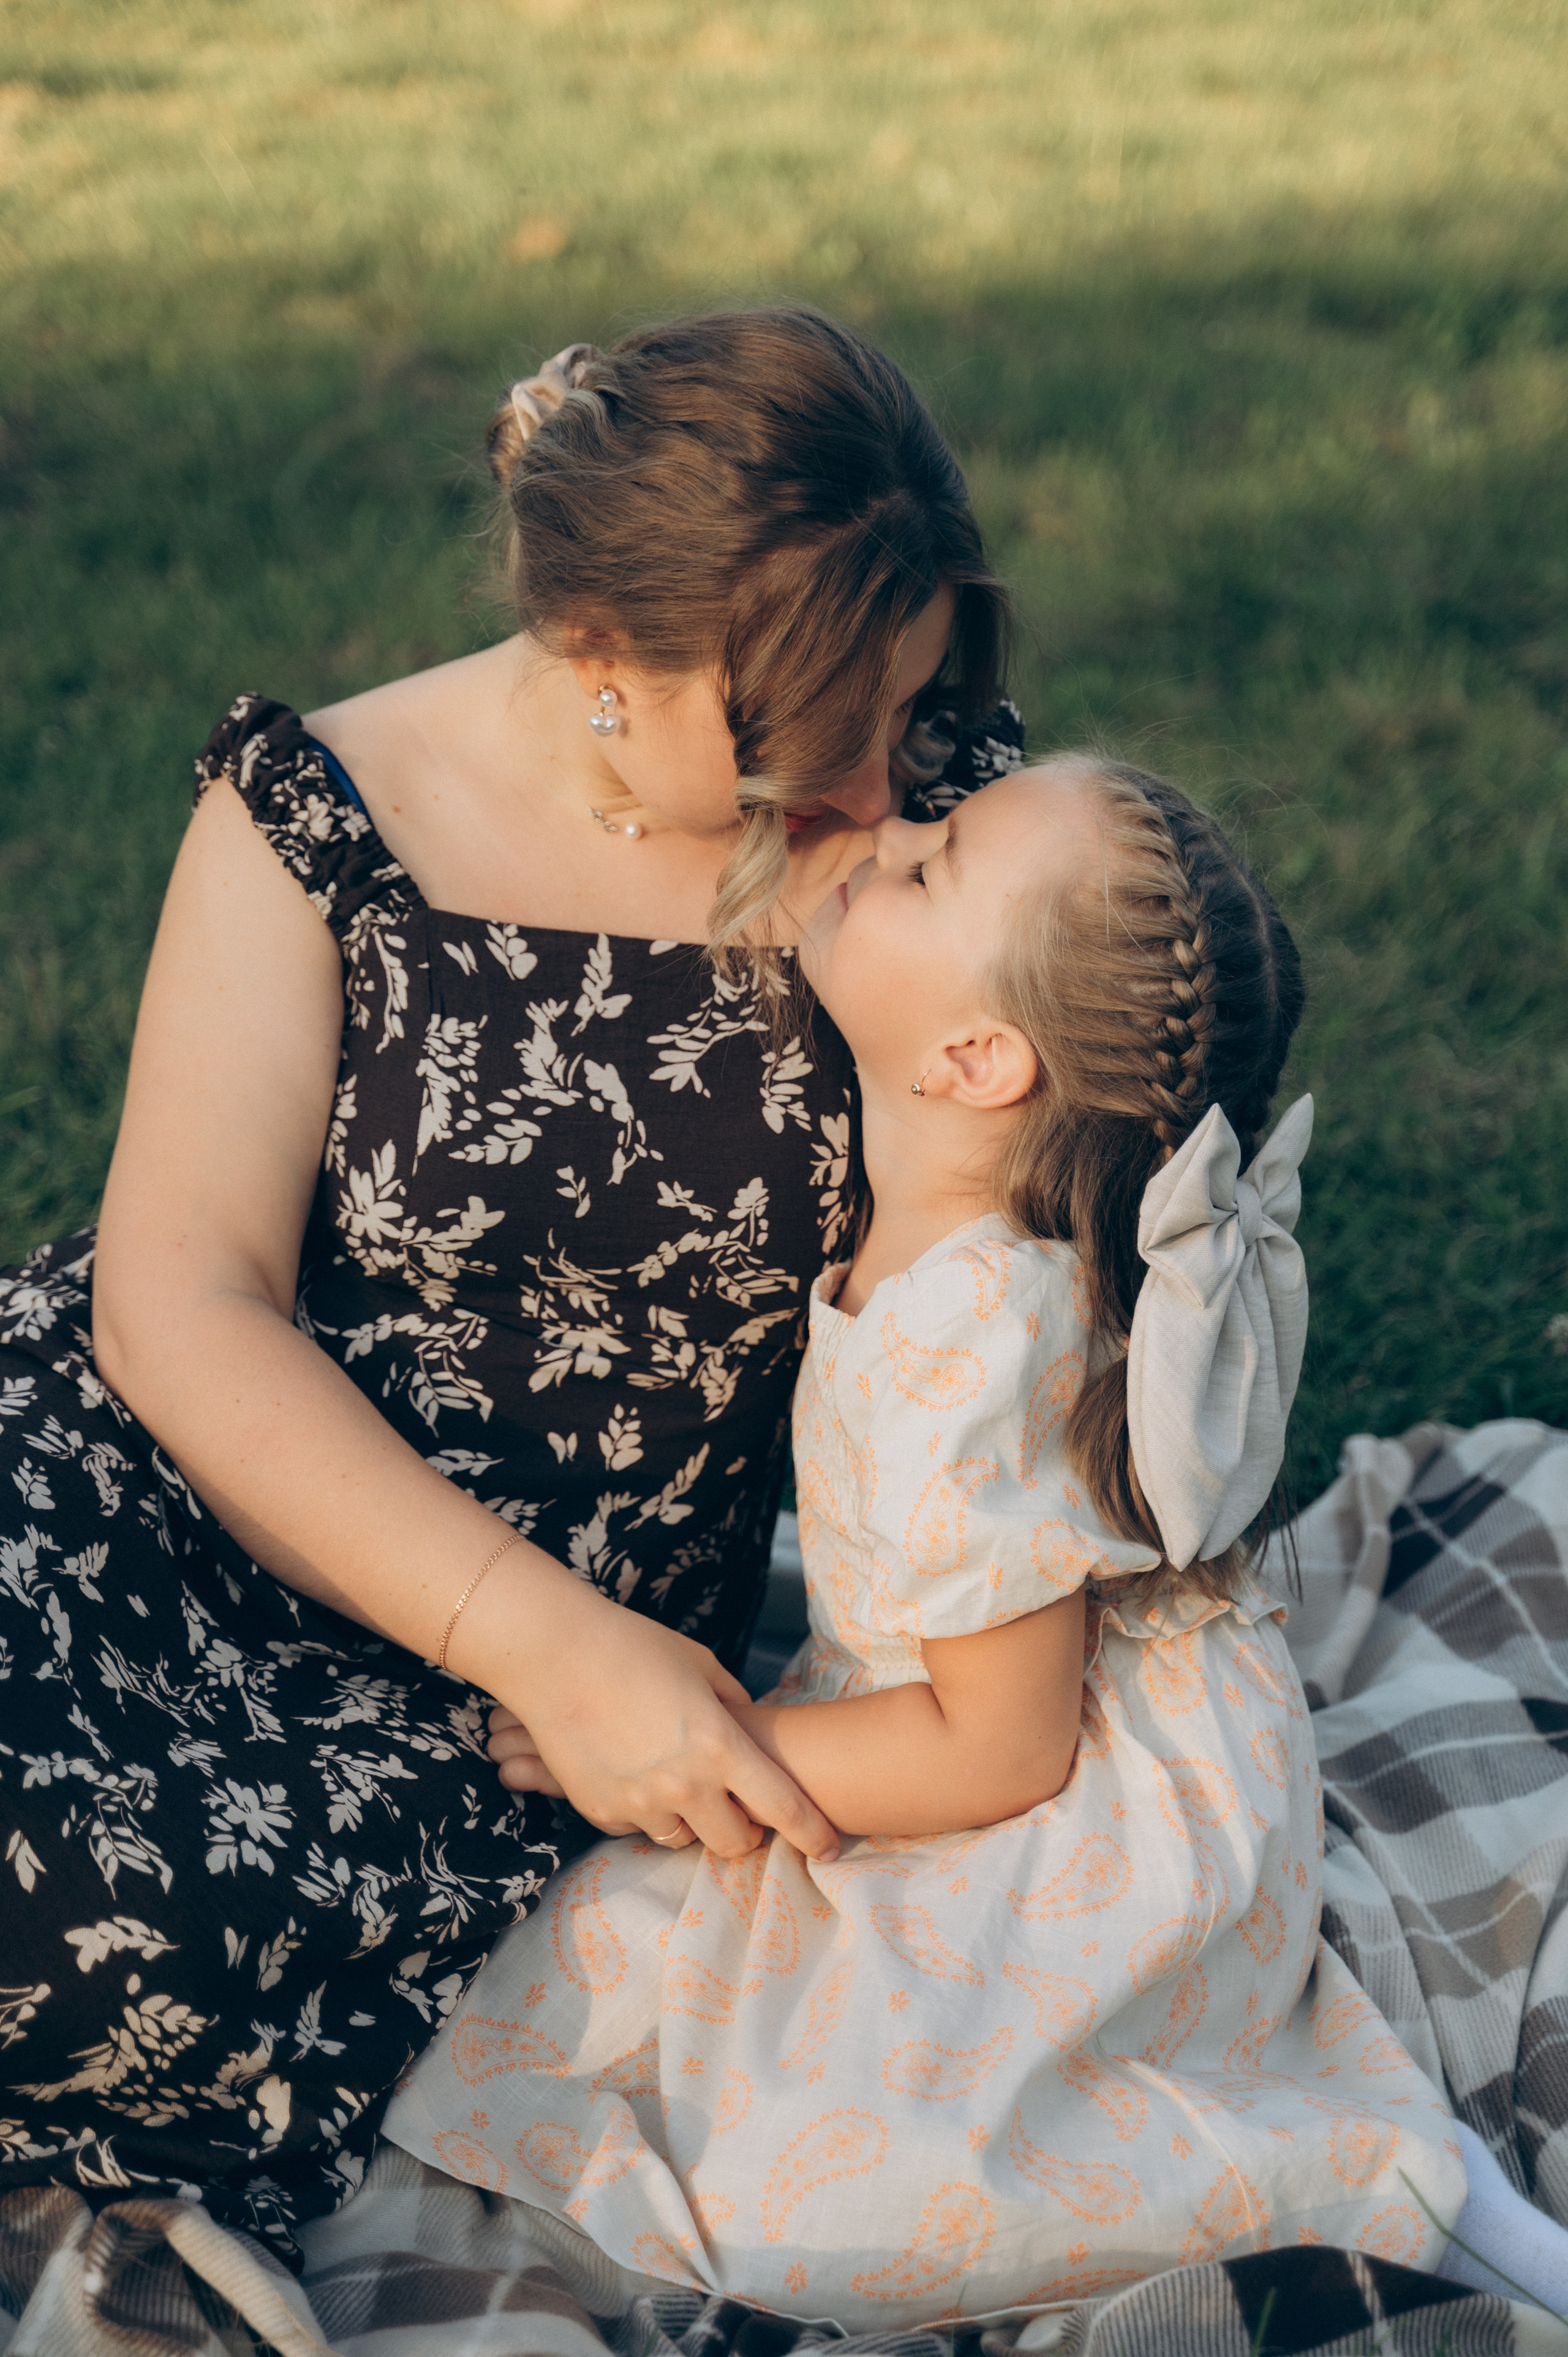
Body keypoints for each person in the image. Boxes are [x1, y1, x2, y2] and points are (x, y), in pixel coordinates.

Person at [0, 308, 1024, 2257]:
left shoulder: (928, 825)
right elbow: (181, 1301)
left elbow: (1088, 1108)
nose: (880, 783)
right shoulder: (319, 819)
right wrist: (531, 1632)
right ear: (598, 663)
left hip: (524, 1684)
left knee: (86, 1939)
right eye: (821, 731)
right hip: (213, 1493)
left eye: (908, 708)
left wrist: (589, 1660)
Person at [381, 757, 1465, 2325]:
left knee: (798, 2132)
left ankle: (1357, 2173)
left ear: (971, 1057)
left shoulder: (969, 1339)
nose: (880, 831)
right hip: (974, 1706)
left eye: (928, 862)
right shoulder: (947, 1222)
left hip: (1060, 1804)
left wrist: (716, 1749)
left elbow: (999, 1749)